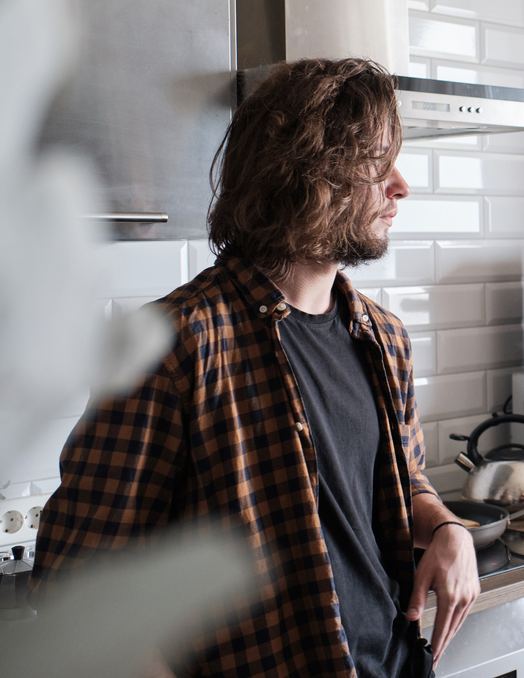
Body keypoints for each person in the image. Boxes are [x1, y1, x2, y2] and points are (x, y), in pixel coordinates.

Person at [30, 58, 479, 677]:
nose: (401, 185)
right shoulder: (173, 344)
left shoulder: (383, 337)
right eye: (376, 164)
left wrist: (449, 529)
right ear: (306, 174)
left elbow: (403, 484)